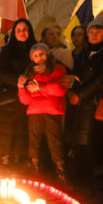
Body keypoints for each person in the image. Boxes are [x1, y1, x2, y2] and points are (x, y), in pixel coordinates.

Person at [64, 16, 103, 182]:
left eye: (98, 31)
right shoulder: (84, 52)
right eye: (91, 31)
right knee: (75, 137)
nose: (93, 34)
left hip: (92, 102)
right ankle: (73, 173)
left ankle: (83, 176)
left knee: (88, 140)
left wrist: (80, 95)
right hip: (77, 103)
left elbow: (101, 78)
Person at [0, 18, 35, 167]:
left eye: (25, 29)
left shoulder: (36, 48)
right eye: (18, 30)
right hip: (8, 93)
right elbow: (0, 72)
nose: (22, 32)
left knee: (20, 131)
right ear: (14, 33)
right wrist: (16, 80)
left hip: (28, 96)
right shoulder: (8, 50)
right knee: (0, 129)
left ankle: (15, 161)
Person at [17, 43, 67, 180]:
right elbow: (25, 100)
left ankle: (61, 172)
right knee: (34, 141)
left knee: (55, 141)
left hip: (53, 111)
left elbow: (60, 89)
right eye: (35, 56)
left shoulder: (58, 68)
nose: (39, 58)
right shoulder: (30, 72)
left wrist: (40, 87)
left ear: (48, 54)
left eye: (41, 54)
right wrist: (21, 87)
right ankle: (35, 169)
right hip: (34, 111)